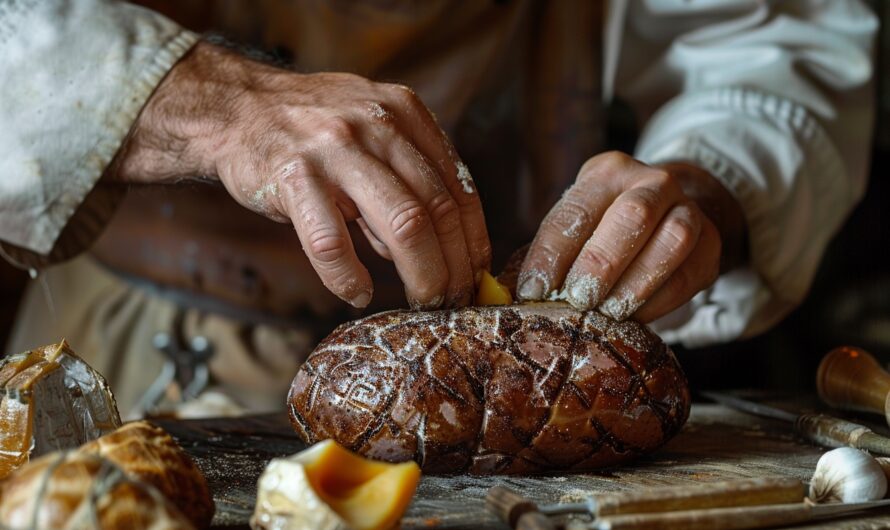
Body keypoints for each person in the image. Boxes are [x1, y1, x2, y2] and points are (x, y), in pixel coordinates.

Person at [0, 0, 878, 416]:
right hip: (144, 337)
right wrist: (209, 102)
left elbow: (769, 33)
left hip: (527, 371)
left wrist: (711, 179)